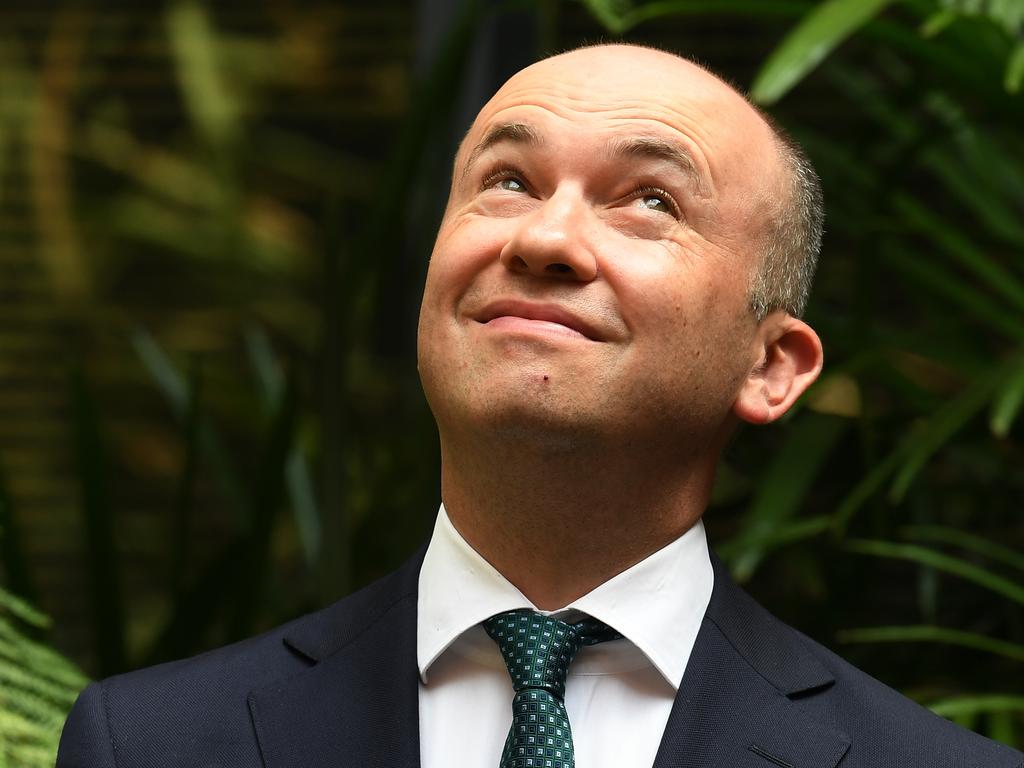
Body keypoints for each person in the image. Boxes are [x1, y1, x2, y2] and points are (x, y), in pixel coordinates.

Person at [57, 44, 1021, 768]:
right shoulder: (146, 744)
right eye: (507, 182)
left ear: (771, 366)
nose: (546, 238)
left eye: (650, 201)